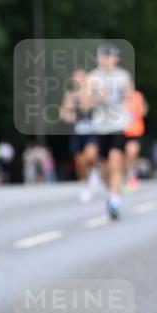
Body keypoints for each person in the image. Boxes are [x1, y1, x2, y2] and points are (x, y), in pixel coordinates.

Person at [86, 44, 134, 220]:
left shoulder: (123, 76)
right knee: (105, 168)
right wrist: (99, 97)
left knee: (115, 162)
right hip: (100, 126)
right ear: (98, 58)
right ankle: (111, 192)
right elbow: (86, 105)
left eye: (110, 56)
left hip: (118, 125)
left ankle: (115, 201)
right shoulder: (92, 78)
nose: (106, 60)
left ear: (116, 58)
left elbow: (130, 96)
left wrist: (122, 94)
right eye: (103, 57)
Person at [60, 69, 100, 202]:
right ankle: (87, 186)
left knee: (91, 156)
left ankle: (95, 171)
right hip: (77, 132)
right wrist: (68, 115)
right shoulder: (70, 95)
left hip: (92, 130)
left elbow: (92, 107)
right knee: (80, 163)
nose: (77, 80)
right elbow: (64, 112)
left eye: (80, 78)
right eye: (75, 78)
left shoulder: (93, 93)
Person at [124, 88, 148, 191]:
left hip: (136, 130)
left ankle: (132, 175)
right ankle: (128, 174)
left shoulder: (138, 96)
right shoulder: (118, 97)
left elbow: (144, 111)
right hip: (122, 131)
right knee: (124, 156)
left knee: (132, 152)